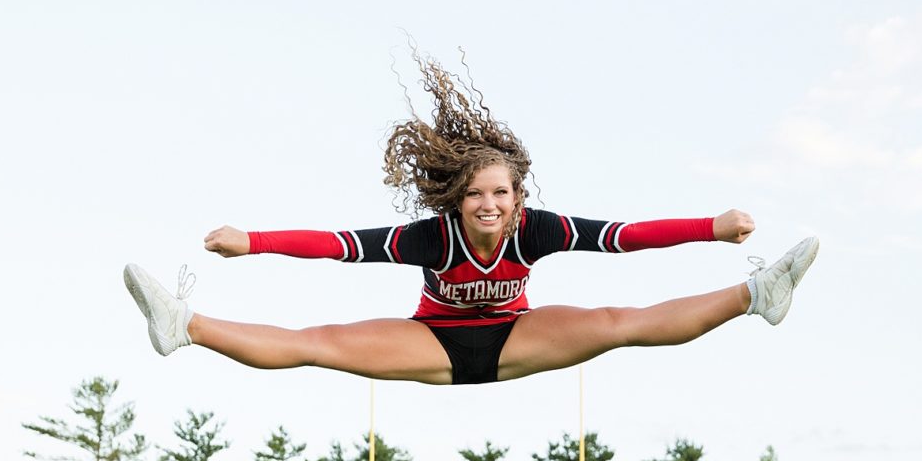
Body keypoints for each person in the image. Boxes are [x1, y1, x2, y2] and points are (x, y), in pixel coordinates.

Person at [124, 57, 818, 385]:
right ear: (456, 198)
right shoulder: (429, 239)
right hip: (435, 341)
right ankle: (184, 326)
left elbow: (626, 237)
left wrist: (714, 225)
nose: (489, 205)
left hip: (518, 336)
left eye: (501, 193)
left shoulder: (538, 228)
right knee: (321, 341)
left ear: (518, 196)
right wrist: (252, 244)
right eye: (476, 194)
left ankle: (758, 295)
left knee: (617, 322)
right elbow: (337, 247)